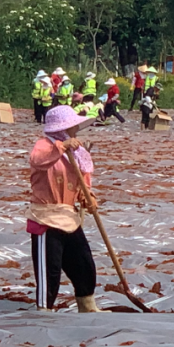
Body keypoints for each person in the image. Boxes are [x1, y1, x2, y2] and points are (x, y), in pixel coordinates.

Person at [26, 105, 102, 313]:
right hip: (46, 217)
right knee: (50, 272)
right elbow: (39, 161)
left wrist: (89, 198)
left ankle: (87, 306)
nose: (76, 131)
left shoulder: (79, 155)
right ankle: (44, 311)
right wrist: (61, 146)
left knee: (84, 265)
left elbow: (83, 183)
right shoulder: (44, 146)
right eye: (72, 127)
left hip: (69, 216)